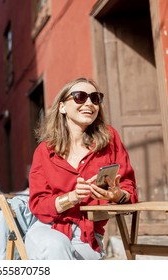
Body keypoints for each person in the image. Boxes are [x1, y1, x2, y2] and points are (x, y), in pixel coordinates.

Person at [25, 77, 138, 260]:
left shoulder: (110, 140)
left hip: (89, 236)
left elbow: (130, 191)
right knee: (55, 246)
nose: (89, 103)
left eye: (95, 98)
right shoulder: (45, 151)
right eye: (79, 97)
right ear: (62, 107)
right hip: (49, 228)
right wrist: (72, 197)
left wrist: (117, 195)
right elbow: (38, 204)